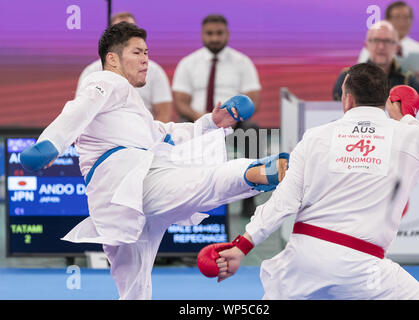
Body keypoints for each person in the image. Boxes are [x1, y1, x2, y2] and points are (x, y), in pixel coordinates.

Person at [20, 22, 289, 300]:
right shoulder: (106, 82)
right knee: (201, 183)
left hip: (122, 202)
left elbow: (165, 134)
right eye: (137, 52)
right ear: (112, 59)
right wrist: (50, 143)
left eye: (147, 52)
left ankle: (255, 173)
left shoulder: (131, 108)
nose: (146, 59)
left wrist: (211, 122)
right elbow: (78, 110)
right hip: (132, 183)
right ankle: (257, 171)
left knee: (134, 291)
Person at [214, 63, 419, 299]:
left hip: (303, 262)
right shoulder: (410, 137)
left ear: (347, 100)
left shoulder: (315, 137)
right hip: (363, 268)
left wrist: (242, 245)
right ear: (384, 100)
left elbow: (283, 201)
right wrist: (406, 119)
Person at [172, 14, 262, 217]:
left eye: (219, 33)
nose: (214, 38)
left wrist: (230, 118)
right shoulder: (189, 63)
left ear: (227, 34)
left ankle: (250, 196)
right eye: (210, 33)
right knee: (179, 128)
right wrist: (206, 120)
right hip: (197, 120)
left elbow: (254, 99)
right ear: (203, 35)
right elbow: (180, 101)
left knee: (253, 132)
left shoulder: (242, 62)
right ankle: (183, 194)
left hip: (234, 122)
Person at [76, 12, 173, 123]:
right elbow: (77, 117)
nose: (144, 60)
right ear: (112, 59)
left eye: (145, 53)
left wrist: (153, 137)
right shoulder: (91, 75)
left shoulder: (151, 74)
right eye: (136, 53)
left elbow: (163, 115)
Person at [358, 1, 419, 100]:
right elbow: (358, 78)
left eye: (406, 17)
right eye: (397, 17)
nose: (402, 22)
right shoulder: (372, 46)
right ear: (388, 20)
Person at [333, 21, 419, 102]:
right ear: (366, 45)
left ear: (397, 48)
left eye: (387, 41)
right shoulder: (348, 78)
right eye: (376, 40)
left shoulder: (409, 81)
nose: (381, 46)